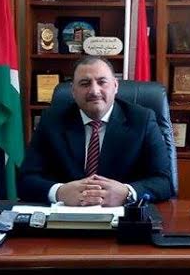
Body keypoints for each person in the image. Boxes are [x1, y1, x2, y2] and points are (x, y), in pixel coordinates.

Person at [18, 55, 173, 206]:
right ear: (73, 91)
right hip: (67, 215)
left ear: (115, 86)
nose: (94, 91)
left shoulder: (142, 120)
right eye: (85, 83)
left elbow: (164, 182)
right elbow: (26, 180)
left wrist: (128, 193)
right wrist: (59, 192)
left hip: (124, 217)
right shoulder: (51, 121)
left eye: (102, 82)